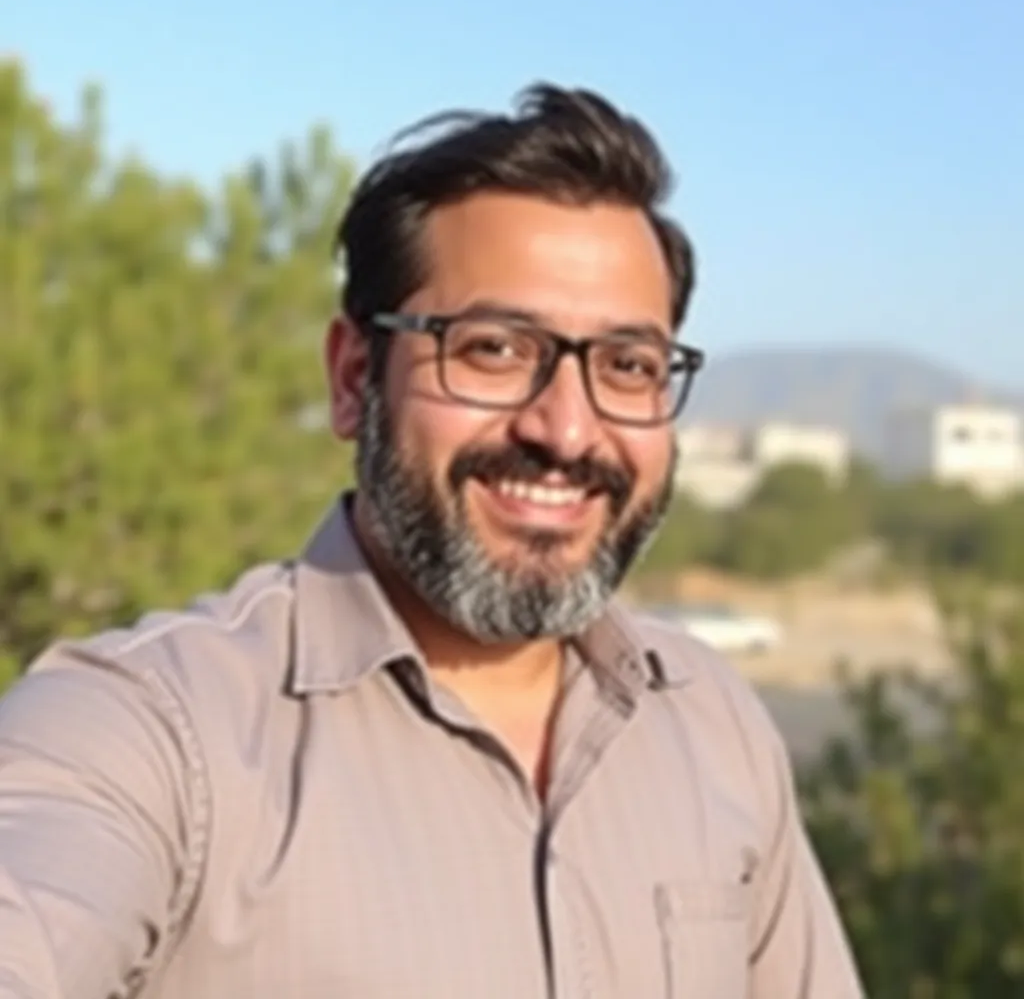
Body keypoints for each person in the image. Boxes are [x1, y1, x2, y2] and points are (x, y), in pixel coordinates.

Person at [0, 83, 864, 998]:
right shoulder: (146, 734)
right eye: (494, 348)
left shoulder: (712, 725)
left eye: (627, 365)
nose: (567, 431)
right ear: (353, 378)